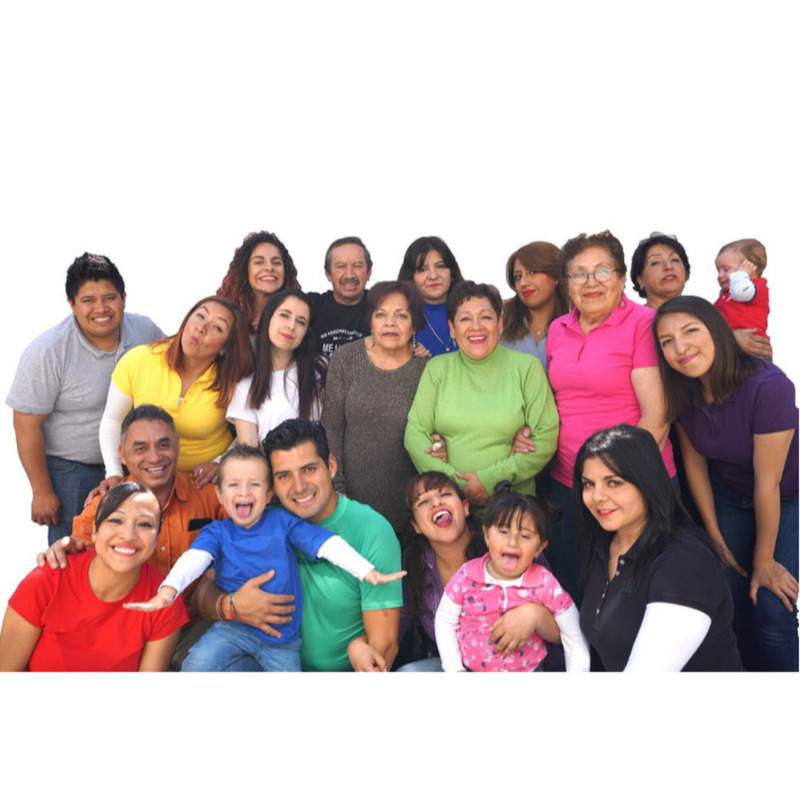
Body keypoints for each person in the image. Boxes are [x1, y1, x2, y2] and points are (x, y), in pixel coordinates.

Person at [126, 445, 404, 672]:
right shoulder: (218, 533)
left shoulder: (283, 522)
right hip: (234, 628)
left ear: (269, 493)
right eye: (233, 485)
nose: (244, 492)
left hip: (282, 640)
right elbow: (194, 559)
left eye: (254, 485)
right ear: (220, 494)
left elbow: (324, 544)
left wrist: (366, 570)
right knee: (196, 663)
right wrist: (168, 589)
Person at [654, 296, 798, 671]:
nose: (680, 347)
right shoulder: (681, 389)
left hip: (787, 496)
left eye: (690, 331)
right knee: (726, 596)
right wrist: (714, 536)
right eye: (667, 341)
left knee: (771, 602)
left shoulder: (769, 386)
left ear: (717, 330)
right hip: (729, 496)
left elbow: (768, 483)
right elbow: (695, 463)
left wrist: (763, 561)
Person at [192, 418, 403, 671]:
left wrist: (358, 649)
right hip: (257, 660)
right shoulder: (259, 518)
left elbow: (383, 648)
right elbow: (201, 594)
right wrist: (230, 606)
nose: (299, 486)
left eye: (309, 469)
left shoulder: (370, 530)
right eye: (284, 476)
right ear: (271, 485)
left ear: (331, 466)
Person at [542, 230, 673, 602]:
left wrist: (617, 483)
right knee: (573, 590)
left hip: (630, 483)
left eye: (602, 270)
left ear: (621, 277)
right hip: (568, 484)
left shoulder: (643, 323)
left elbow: (657, 417)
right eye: (579, 274)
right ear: (567, 285)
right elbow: (558, 400)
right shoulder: (558, 329)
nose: (591, 282)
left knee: (630, 596)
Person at [6, 252, 163, 545]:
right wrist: (41, 491)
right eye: (88, 300)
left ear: (124, 297)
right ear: (72, 304)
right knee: (75, 551)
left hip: (136, 462)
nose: (101, 308)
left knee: (137, 542)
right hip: (73, 469)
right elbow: (26, 424)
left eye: (109, 298)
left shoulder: (145, 332)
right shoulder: (47, 352)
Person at [575, 425, 742, 671]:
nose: (597, 496)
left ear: (647, 483)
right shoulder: (603, 543)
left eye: (614, 482)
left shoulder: (685, 563)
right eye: (588, 484)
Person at [0, 482, 187, 671]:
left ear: (156, 539)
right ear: (95, 531)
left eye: (144, 524)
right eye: (116, 521)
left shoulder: (164, 601)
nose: (129, 535)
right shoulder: (47, 580)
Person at [404, 281, 558, 510]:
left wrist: (491, 480)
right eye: (465, 319)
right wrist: (455, 484)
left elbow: (545, 436)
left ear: (500, 324)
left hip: (513, 509)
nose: (476, 327)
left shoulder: (527, 368)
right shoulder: (437, 368)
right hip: (451, 509)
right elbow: (415, 434)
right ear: (452, 329)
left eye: (485, 317)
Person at [397, 471, 566, 672]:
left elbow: (565, 631)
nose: (436, 503)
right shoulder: (414, 565)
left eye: (445, 494)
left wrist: (534, 615)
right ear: (416, 526)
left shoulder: (511, 548)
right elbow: (395, 630)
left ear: (465, 507)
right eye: (423, 502)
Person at [97, 296, 253, 490]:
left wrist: (221, 462)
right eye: (200, 316)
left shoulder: (233, 379)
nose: (201, 327)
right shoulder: (139, 360)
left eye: (217, 327)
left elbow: (249, 435)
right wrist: (114, 473)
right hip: (145, 479)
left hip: (203, 484)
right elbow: (112, 422)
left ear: (225, 348)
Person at [434, 482, 589, 672]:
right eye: (503, 531)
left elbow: (574, 635)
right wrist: (454, 669)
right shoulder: (466, 576)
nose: (512, 542)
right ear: (486, 535)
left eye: (525, 535)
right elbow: (445, 620)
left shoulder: (545, 583)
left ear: (540, 547)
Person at [320, 281, 427, 533]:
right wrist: (337, 489)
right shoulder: (346, 358)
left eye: (401, 315)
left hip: (408, 506)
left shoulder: (426, 370)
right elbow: (331, 428)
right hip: (349, 500)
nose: (390, 323)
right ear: (370, 321)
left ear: (414, 325)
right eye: (381, 315)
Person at [227, 289, 326, 447]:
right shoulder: (245, 384)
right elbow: (249, 450)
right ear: (268, 318)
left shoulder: (320, 368)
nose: (291, 326)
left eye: (301, 322)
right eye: (284, 315)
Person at [216, 231, 301, 335]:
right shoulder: (222, 314)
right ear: (245, 270)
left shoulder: (300, 317)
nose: (269, 268)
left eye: (276, 262)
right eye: (259, 262)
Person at [500, 241, 569, 369]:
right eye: (518, 276)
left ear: (556, 275)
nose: (523, 282)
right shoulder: (499, 321)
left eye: (532, 272)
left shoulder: (576, 325)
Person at [397, 235, 464, 357]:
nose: (433, 276)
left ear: (451, 272)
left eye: (440, 266)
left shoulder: (470, 309)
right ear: (411, 277)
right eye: (422, 269)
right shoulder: (399, 317)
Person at [306, 236, 373, 358]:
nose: (349, 275)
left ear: (368, 273)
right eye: (341, 266)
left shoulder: (381, 306)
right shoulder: (310, 305)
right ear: (328, 274)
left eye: (357, 266)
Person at [714, 238, 770, 341]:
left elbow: (739, 293)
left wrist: (741, 274)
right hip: (729, 342)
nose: (720, 275)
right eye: (718, 270)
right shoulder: (725, 295)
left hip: (752, 345)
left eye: (726, 269)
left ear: (750, 268)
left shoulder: (756, 287)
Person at [629, 231, 691, 311]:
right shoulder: (633, 319)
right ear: (640, 279)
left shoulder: (702, 315)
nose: (669, 266)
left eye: (674, 260)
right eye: (656, 262)